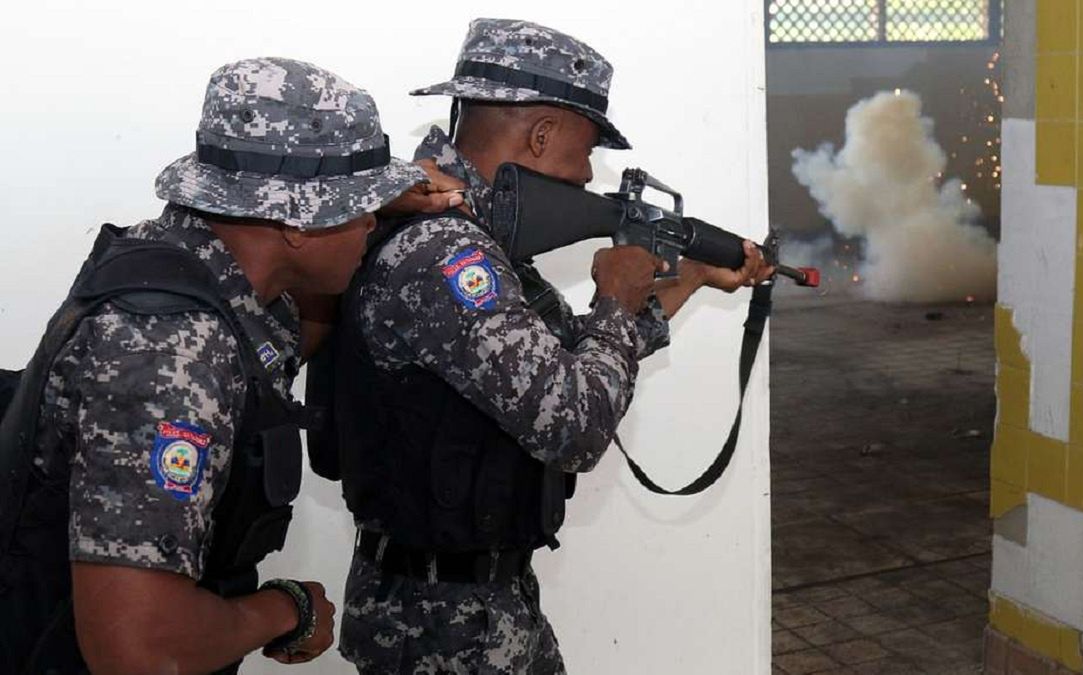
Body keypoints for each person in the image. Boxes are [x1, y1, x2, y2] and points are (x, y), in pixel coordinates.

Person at [333, 18, 773, 673]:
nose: (589, 171)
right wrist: (616, 297)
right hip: (441, 626)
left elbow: (573, 354)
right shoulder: (448, 254)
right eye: (588, 147)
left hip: (469, 606)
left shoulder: (469, 237)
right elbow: (574, 424)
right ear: (541, 134)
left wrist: (694, 277)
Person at [0, 56, 463, 674]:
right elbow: (140, 651)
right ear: (297, 220)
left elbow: (287, 342)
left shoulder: (190, 263)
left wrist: (364, 203)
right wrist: (286, 609)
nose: (372, 222)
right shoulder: (171, 349)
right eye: (360, 207)